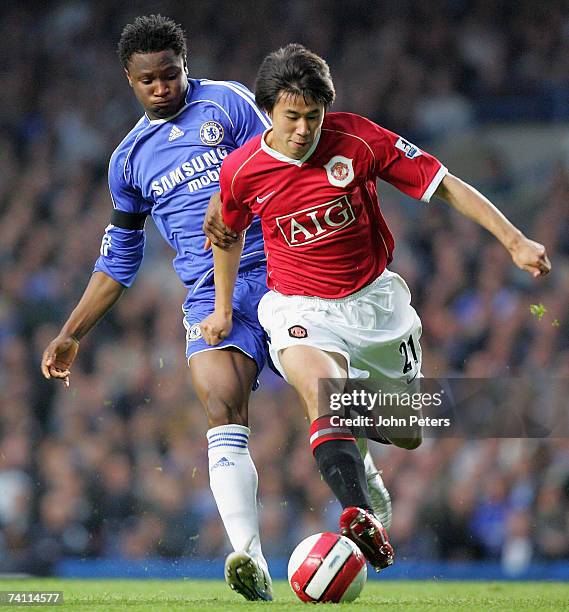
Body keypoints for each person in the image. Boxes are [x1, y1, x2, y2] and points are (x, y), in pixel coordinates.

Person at [199, 43, 551, 572]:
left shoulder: (357, 138)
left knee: (409, 432)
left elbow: (445, 185)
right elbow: (226, 233)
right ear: (267, 111)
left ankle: (360, 449)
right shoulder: (243, 169)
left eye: (312, 117)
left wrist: (515, 239)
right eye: (291, 117)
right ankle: (361, 516)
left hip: (375, 306)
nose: (302, 130)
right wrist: (224, 309)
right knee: (324, 392)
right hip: (299, 306)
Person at [39, 14, 276, 601]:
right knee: (222, 404)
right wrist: (72, 333)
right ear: (129, 79)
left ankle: (367, 482)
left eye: (170, 75)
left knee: (336, 398)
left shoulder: (230, 105)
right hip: (206, 295)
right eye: (148, 80)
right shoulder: (129, 160)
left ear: (184, 66)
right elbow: (118, 258)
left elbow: (286, 170)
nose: (162, 88)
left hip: (280, 272)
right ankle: (249, 554)